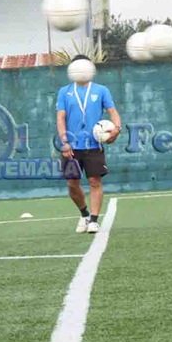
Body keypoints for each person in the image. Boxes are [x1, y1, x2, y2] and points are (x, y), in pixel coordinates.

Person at [57, 55, 121, 234]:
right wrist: (65, 141)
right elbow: (60, 117)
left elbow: (113, 112)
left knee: (94, 181)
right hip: (71, 145)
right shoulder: (65, 91)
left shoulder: (101, 90)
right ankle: (84, 214)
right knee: (72, 183)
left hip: (93, 145)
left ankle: (93, 220)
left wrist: (117, 128)